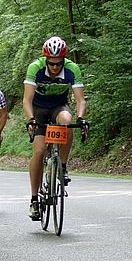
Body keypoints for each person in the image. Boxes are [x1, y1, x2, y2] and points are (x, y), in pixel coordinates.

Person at [23, 36, 88, 220]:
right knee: (40, 151)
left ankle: (63, 167)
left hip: (59, 106)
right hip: (38, 109)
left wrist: (81, 118)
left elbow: (80, 99)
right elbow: (27, 100)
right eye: (51, 63)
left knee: (67, 121)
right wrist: (31, 119)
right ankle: (34, 200)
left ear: (63, 60)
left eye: (58, 64)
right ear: (45, 59)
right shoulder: (35, 68)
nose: (54, 67)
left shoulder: (72, 69)